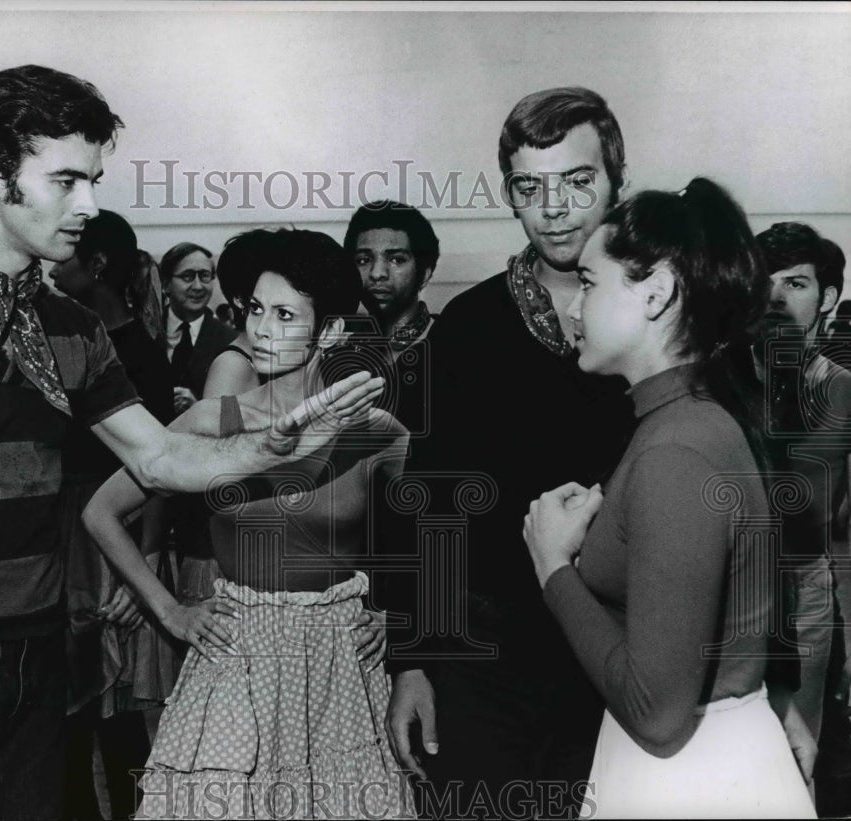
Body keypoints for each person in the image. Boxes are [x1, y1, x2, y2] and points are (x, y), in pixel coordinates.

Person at [0, 64, 382, 821]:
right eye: (67, 180)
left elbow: (158, 456)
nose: (90, 205)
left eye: (94, 179)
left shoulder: (71, 326)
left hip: (40, 654)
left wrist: (267, 450)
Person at [82, 227, 413, 820]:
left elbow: (432, 540)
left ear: (330, 331)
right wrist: (171, 612)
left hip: (341, 670)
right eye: (256, 309)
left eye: (284, 314)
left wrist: (403, 619)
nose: (260, 328)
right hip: (237, 659)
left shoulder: (378, 433)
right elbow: (101, 511)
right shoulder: (211, 421)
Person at [523, 177, 815, 818]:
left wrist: (553, 568)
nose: (571, 308)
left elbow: (656, 712)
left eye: (590, 284)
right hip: (702, 764)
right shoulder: (688, 421)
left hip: (687, 777)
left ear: (655, 292)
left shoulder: (677, 448)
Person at [382, 87, 634, 819]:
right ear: (511, 196)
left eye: (577, 181)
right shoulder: (469, 326)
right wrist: (414, 658)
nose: (554, 207)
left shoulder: (661, 315)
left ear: (617, 178)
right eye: (531, 187)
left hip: (624, 650)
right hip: (485, 657)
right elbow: (424, 500)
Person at [48, 208, 175, 820]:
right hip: (66, 533)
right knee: (67, 711)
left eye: (69, 252)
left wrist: (144, 564)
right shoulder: (62, 338)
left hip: (110, 537)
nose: (55, 263)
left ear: (96, 264)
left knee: (117, 712)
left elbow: (159, 472)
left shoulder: (141, 355)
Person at [753, 222, 851, 813]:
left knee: (794, 760)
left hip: (801, 588)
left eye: (796, 283)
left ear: (828, 297)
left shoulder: (838, 389)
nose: (776, 298)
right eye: (764, 282)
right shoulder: (718, 377)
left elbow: (818, 512)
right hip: (723, 586)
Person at [343, 200, 439, 434]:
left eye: (396, 259)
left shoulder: (450, 343)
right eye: (364, 260)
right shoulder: (337, 349)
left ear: (424, 273)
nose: (377, 273)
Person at [160, 242, 238, 414]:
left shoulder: (230, 341)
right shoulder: (144, 332)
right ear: (166, 285)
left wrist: (199, 409)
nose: (198, 286)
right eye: (187, 276)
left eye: (204, 276)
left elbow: (236, 416)